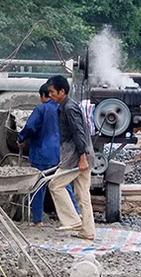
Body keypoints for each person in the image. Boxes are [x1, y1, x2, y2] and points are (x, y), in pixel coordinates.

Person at [17, 84, 78, 226]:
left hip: (42, 153)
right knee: (64, 184)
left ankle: (37, 220)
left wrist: (21, 138)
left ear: (43, 96)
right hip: (62, 153)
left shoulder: (41, 109)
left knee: (38, 185)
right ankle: (76, 214)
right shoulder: (64, 108)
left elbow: (30, 126)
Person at [47, 75, 95, 241]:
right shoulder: (67, 106)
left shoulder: (69, 108)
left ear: (62, 91)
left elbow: (78, 132)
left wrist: (82, 157)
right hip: (84, 153)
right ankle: (88, 231)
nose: (50, 95)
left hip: (77, 155)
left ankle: (73, 221)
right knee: (82, 194)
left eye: (53, 92)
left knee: (55, 185)